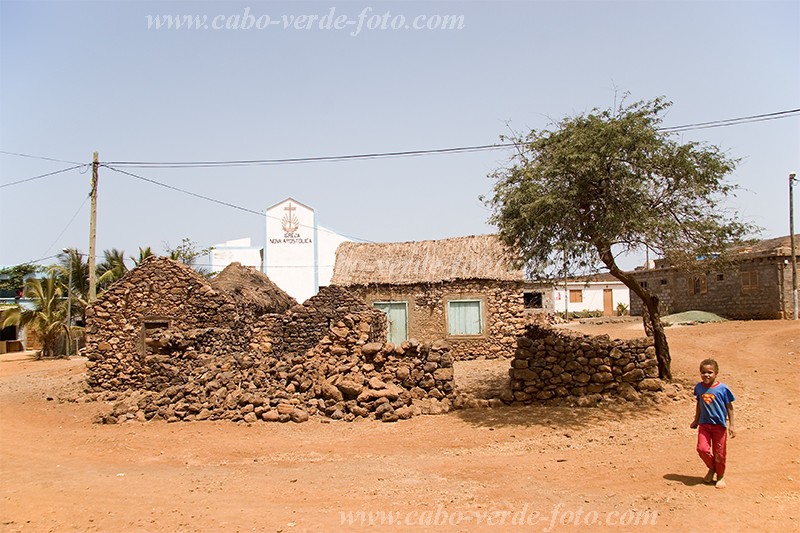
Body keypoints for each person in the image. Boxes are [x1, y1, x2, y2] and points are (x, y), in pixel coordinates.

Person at [690, 358, 736, 488]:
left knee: (720, 453)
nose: (706, 375)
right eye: (703, 372)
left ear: (716, 373)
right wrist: (696, 420)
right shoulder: (699, 388)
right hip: (704, 424)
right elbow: (699, 403)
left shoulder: (722, 388)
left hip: (719, 426)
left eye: (710, 372)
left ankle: (720, 475)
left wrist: (731, 425)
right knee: (702, 449)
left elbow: (730, 407)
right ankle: (712, 467)